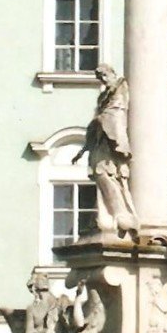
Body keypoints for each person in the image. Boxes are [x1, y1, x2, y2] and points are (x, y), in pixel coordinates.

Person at [73, 64, 139, 237]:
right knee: (100, 172)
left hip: (111, 139)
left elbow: (116, 110)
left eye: (104, 75)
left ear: (112, 73)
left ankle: (121, 214)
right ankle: (108, 214)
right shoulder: (104, 95)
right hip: (101, 139)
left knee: (107, 174)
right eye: (99, 77)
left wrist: (100, 120)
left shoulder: (120, 86)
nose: (102, 79)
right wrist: (84, 148)